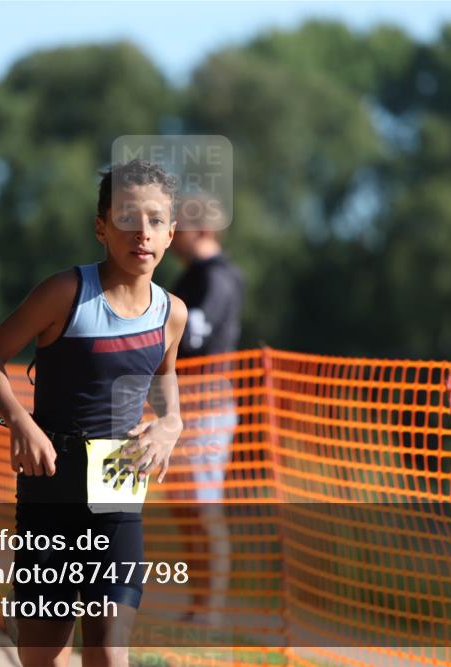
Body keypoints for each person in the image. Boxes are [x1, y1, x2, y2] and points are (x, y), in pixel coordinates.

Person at [0, 159, 188, 667]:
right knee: (43, 657)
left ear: (172, 233)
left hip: (118, 489)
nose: (142, 232)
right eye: (128, 218)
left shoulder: (170, 313)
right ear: (101, 227)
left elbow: (163, 376)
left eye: (156, 220)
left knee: (109, 650)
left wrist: (171, 424)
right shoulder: (65, 293)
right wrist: (20, 422)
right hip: (50, 490)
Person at [168, 193, 244, 627]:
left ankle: (210, 610)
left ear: (200, 229)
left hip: (207, 406)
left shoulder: (217, 278)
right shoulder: (193, 275)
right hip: (185, 405)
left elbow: (193, 333)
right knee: (184, 506)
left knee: (203, 506)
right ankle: (198, 604)